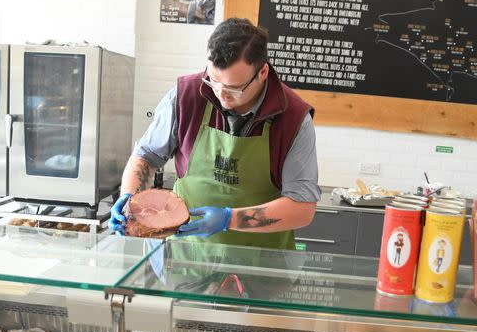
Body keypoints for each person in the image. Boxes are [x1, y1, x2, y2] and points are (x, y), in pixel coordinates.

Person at [109, 17, 320, 249]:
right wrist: (131, 199)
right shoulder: (185, 96)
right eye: (213, 80)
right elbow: (147, 155)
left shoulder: (293, 118)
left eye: (233, 87)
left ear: (262, 73)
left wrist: (229, 219)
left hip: (260, 262)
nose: (221, 93)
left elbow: (302, 208)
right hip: (185, 256)